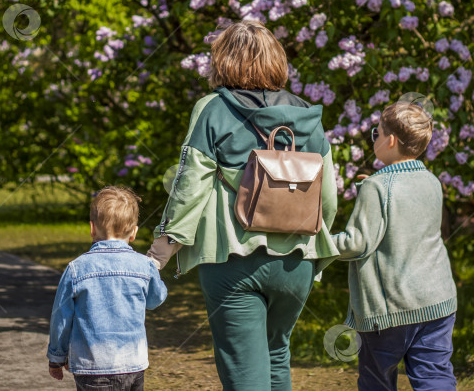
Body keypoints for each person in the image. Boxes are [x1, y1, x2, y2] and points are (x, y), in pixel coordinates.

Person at [146, 20, 340, 391]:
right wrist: (316, 257)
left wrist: (160, 252)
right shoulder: (306, 115)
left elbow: (190, 187)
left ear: (223, 62)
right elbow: (326, 199)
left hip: (232, 260)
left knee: (244, 375)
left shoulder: (213, 109)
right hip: (295, 264)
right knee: (277, 359)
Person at [331, 101, 458, 391]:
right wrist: (370, 189)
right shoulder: (431, 181)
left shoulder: (377, 187)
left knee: (377, 380)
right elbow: (403, 217)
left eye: (376, 133)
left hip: (390, 311)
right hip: (438, 302)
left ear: (390, 140)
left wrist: (318, 241)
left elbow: (356, 243)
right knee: (435, 376)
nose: (373, 138)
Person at [47, 186, 167, 391]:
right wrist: (152, 271)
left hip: (92, 365)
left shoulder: (77, 269)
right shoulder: (144, 266)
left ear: (92, 228)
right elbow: (156, 300)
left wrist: (57, 357)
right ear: (134, 232)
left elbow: (61, 317)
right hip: (133, 364)